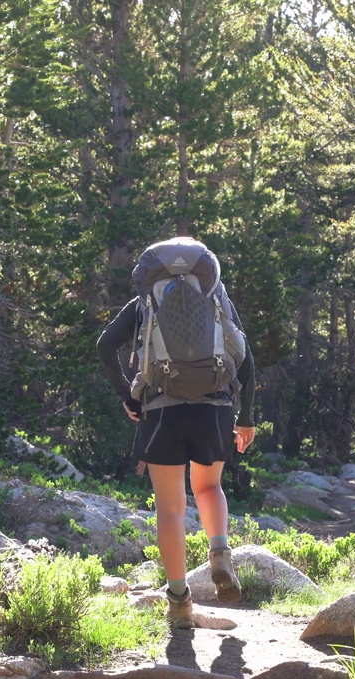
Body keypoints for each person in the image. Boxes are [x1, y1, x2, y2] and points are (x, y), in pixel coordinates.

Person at [96, 238, 256, 630]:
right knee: (208, 487)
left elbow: (105, 346)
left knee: (169, 508)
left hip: (160, 410)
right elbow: (245, 355)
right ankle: (219, 552)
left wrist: (126, 396)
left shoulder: (146, 303)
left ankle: (180, 600)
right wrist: (247, 416)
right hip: (214, 407)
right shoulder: (216, 299)